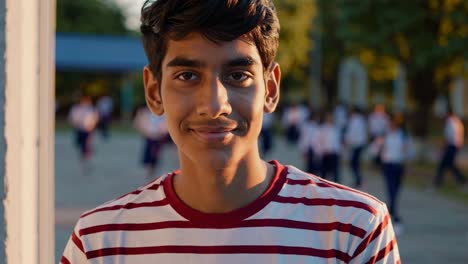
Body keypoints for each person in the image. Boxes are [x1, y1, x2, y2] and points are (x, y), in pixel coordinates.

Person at [61, 1, 400, 263]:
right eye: (187, 76)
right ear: (153, 91)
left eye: (238, 75)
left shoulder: (354, 231)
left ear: (270, 89)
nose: (214, 104)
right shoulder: (100, 243)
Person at [378, 114, 408, 235]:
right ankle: (395, 216)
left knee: (396, 190)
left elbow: (407, 149)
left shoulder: (403, 134)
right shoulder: (385, 134)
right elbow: (377, 147)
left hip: (398, 165)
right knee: (390, 189)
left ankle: (392, 212)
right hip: (388, 164)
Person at [433, 109, 467, 189]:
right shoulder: (457, 121)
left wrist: (442, 148)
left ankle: (463, 181)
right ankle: (437, 183)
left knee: (445, 165)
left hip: (451, 146)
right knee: (448, 165)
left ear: (448, 114)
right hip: (456, 146)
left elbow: (447, 137)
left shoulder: (450, 122)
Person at [133, 105, 169, 178]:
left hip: (159, 136)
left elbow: (166, 124)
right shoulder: (145, 112)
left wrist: (163, 132)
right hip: (150, 135)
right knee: (148, 153)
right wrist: (145, 131)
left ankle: (152, 168)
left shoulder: (163, 113)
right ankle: (149, 169)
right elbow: (138, 123)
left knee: (155, 154)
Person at [68, 94, 99, 175]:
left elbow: (95, 118)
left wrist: (92, 126)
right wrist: (77, 124)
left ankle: (86, 158)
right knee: (80, 145)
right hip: (80, 129)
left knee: (87, 145)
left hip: (88, 130)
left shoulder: (91, 109)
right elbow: (73, 118)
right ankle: (83, 157)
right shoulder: (76, 108)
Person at [345, 106, 368, 189]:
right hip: (360, 144)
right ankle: (358, 179)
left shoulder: (354, 120)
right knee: (356, 163)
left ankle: (358, 180)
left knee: (353, 163)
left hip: (356, 144)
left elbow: (352, 133)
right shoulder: (361, 120)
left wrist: (347, 141)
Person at [316, 111, 342, 183]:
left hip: (334, 153)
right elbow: (318, 140)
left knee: (335, 174)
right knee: (324, 173)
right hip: (325, 153)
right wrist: (320, 151)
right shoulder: (322, 128)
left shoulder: (336, 128)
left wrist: (338, 151)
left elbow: (337, 142)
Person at [299, 110, 320, 175]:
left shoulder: (317, 126)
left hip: (315, 148)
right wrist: (304, 149)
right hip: (309, 148)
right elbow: (304, 139)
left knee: (315, 166)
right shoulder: (306, 126)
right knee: (309, 166)